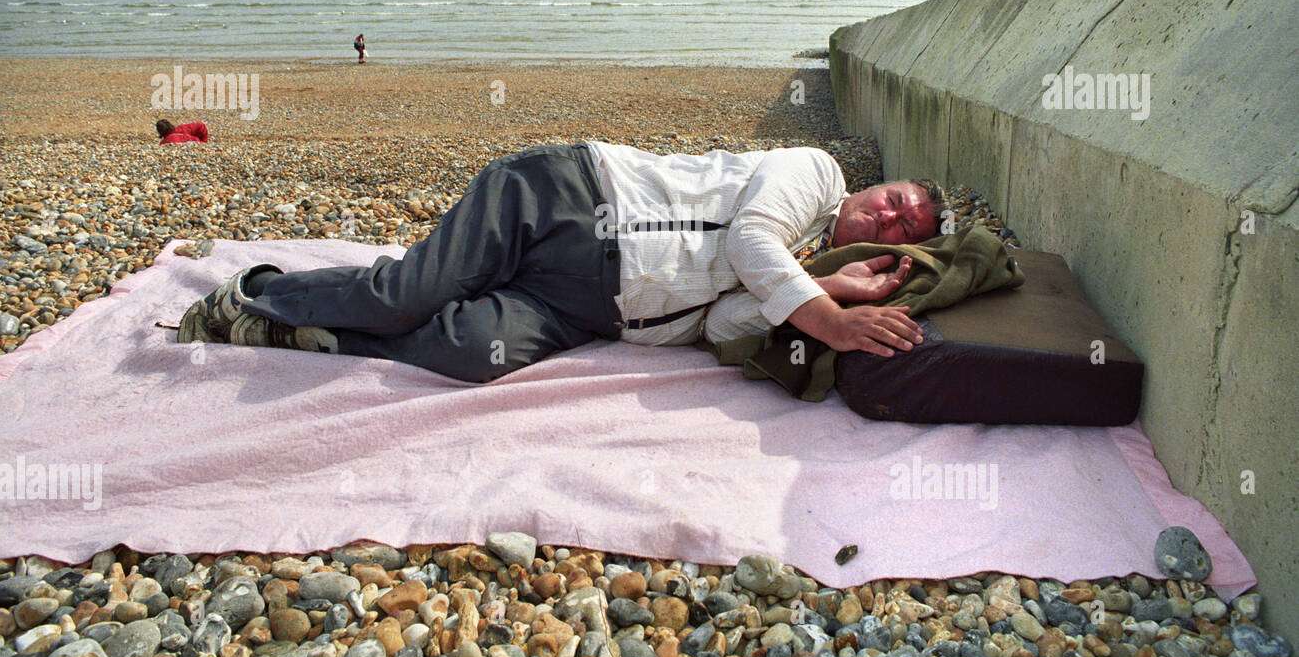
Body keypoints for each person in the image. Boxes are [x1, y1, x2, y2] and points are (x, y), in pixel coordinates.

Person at [178, 141, 943, 382]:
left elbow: (724, 324)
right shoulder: (812, 172)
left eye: (906, 228)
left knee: (474, 355)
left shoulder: (802, 268)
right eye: (898, 198)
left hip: (586, 309)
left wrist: (823, 287)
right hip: (563, 198)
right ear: (875, 186)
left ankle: (295, 337)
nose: (893, 215)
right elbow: (751, 242)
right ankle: (257, 295)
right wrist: (832, 320)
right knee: (405, 295)